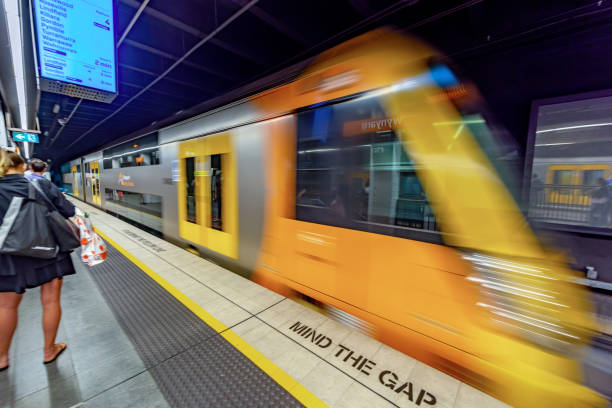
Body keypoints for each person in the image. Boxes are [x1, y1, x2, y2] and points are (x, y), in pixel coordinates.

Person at [0, 149, 76, 370]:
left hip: (6, 257)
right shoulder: (40, 184)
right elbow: (68, 210)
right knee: (50, 300)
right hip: (47, 250)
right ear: (22, 166)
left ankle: (2, 357)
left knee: (5, 307)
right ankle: (49, 350)